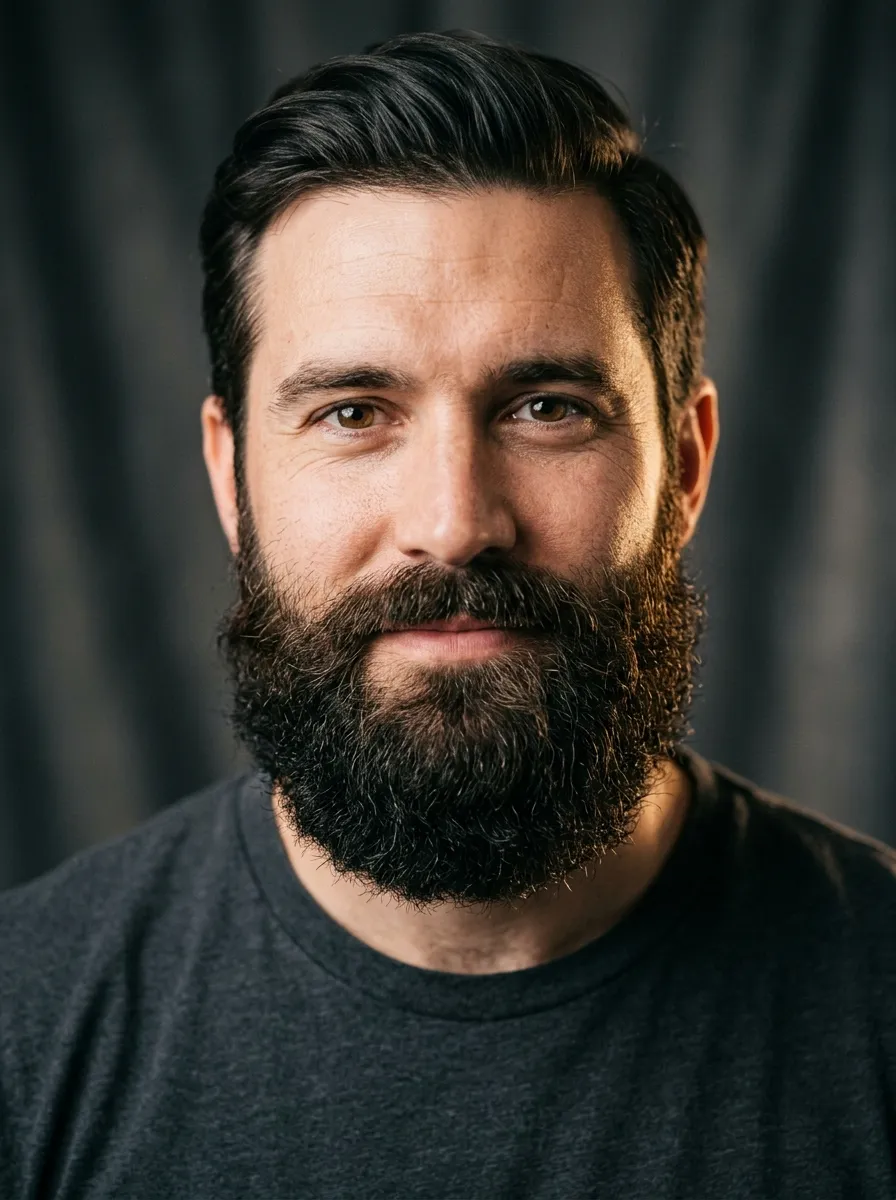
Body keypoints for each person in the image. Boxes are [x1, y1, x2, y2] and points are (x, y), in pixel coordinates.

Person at [1, 28, 893, 1200]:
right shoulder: (26, 1032)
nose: (454, 520)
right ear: (230, 480)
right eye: (352, 413)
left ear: (682, 467)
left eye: (545, 407)